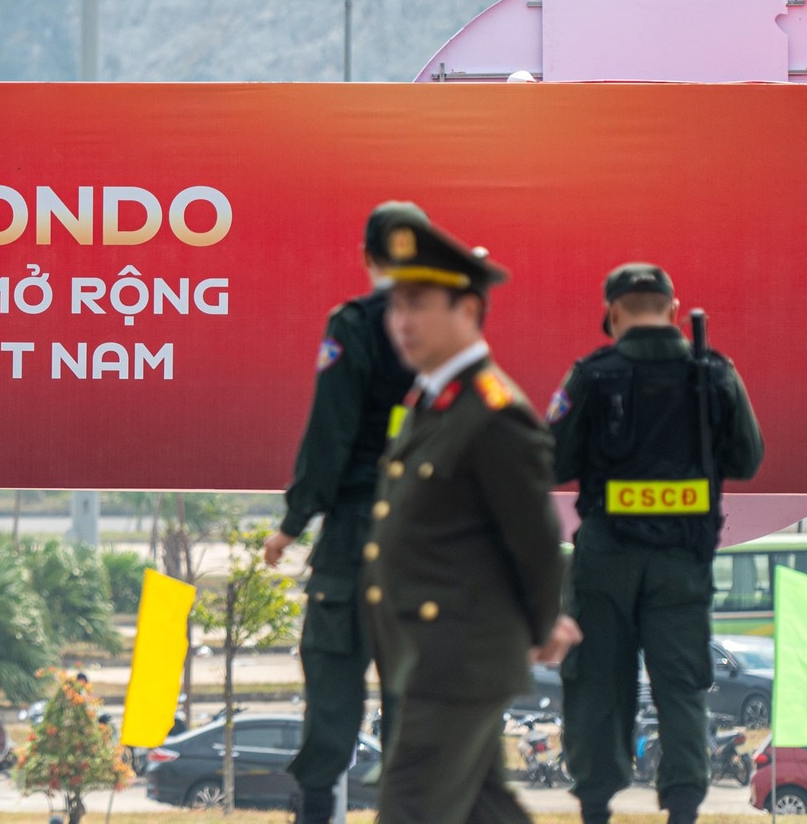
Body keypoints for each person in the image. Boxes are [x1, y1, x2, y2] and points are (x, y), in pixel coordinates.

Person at [362, 213, 579, 824]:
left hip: (459, 656)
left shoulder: (494, 413)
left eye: (420, 304)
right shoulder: (434, 403)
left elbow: (535, 538)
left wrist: (541, 626)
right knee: (488, 810)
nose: (401, 322)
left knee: (409, 810)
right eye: (395, 304)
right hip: (432, 650)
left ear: (469, 308)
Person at [551, 264, 765, 824]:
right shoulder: (713, 372)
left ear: (613, 313)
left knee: (597, 682)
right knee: (682, 687)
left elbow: (553, 457)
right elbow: (747, 457)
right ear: (674, 309)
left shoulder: (592, 375)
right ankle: (685, 811)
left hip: (605, 561)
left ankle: (595, 808)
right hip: (681, 564)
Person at [263, 201, 427, 824]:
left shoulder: (355, 325)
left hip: (358, 531)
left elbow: (330, 432)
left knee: (332, 698)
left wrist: (293, 521)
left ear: (368, 257)